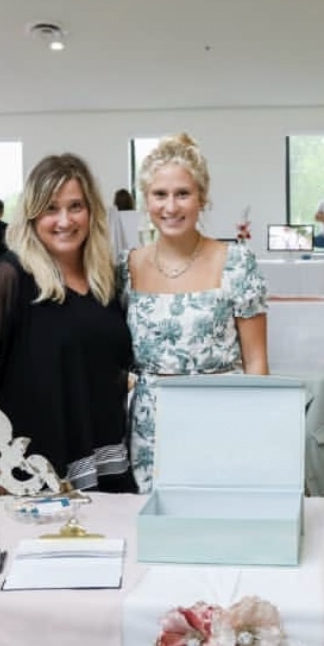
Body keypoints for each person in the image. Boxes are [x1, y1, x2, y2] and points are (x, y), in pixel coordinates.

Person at [0, 154, 136, 491]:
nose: (64, 220)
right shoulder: (11, 275)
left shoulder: (105, 279)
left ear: (92, 212)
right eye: (51, 208)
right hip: (32, 472)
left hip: (108, 463)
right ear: (32, 215)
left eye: (76, 206)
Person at [120, 133, 269, 492]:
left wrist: (258, 432)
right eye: (160, 194)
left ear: (202, 197)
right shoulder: (127, 266)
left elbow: (257, 360)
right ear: (146, 200)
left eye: (182, 194)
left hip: (223, 418)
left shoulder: (236, 263)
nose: (171, 207)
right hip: (150, 429)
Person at [108, 187, 139, 255]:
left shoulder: (113, 216)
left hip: (119, 254)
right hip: (136, 252)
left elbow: (111, 239)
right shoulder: (136, 216)